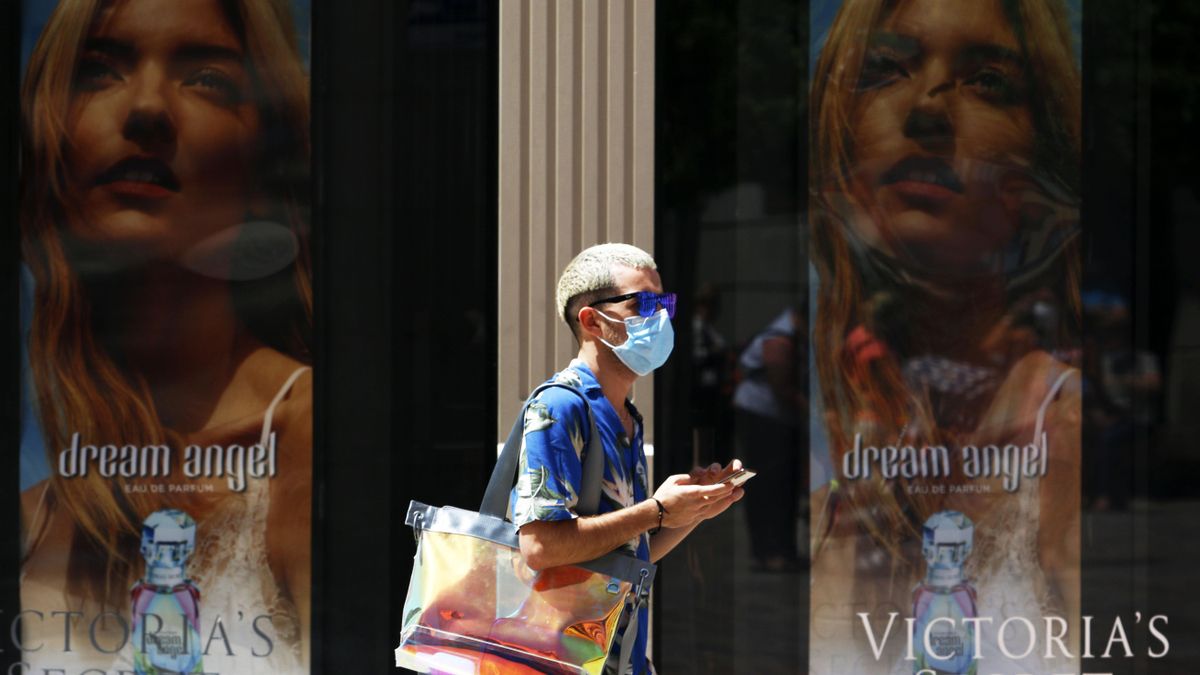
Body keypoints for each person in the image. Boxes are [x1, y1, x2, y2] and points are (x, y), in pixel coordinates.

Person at [17, 0, 312, 672]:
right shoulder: (30, 518)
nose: (147, 107)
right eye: (97, 73)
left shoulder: (308, 439)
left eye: (206, 78)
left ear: (264, 159)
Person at [807, 1, 1082, 673]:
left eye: (987, 80)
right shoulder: (841, 463)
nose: (927, 106)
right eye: (885, 69)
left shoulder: (1065, 430)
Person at [510, 243, 745, 675]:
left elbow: (630, 553)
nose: (659, 317)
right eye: (643, 303)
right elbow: (540, 546)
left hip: (619, 657)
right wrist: (656, 511)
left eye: (664, 303)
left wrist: (692, 510)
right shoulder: (561, 407)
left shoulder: (626, 418)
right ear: (591, 320)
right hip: (561, 659)